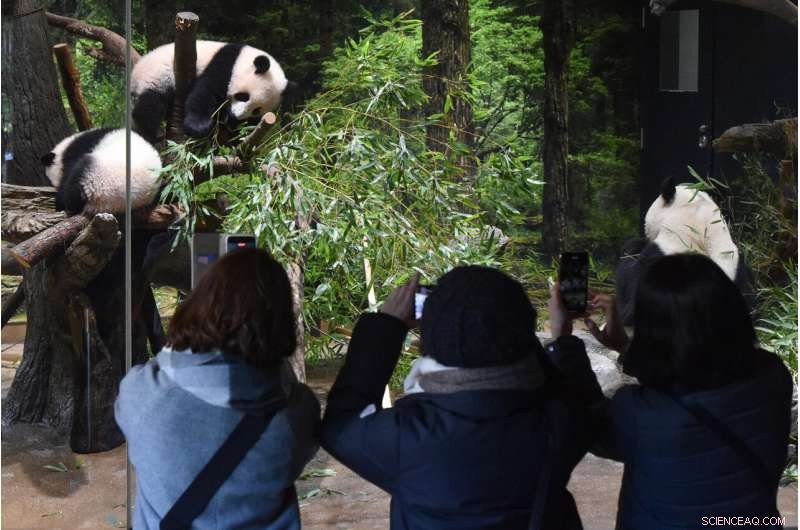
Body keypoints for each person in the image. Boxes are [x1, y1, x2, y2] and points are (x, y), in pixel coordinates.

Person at [321, 265, 604, 530]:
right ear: (524, 333)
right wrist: (561, 337)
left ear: (428, 339)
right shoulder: (562, 423)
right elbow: (579, 399)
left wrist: (385, 328)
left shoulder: (403, 438)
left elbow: (339, 424)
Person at [554, 253, 792, 530]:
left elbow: (593, 429)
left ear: (651, 329)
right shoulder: (773, 376)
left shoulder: (638, 412)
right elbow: (696, 375)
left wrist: (564, 341)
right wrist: (625, 347)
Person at [115, 248, 320, 530]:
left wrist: (182, 342)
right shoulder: (297, 412)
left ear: (199, 303)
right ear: (281, 322)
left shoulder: (143, 393)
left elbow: (158, 371)